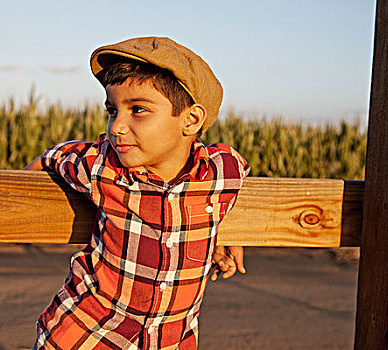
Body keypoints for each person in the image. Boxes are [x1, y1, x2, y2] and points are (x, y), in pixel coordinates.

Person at [26, 36, 250, 350]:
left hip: (169, 340)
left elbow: (229, 190)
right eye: (112, 110)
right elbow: (52, 157)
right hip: (88, 335)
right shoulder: (102, 165)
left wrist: (225, 228)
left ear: (192, 119)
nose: (116, 126)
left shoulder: (222, 170)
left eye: (138, 110)